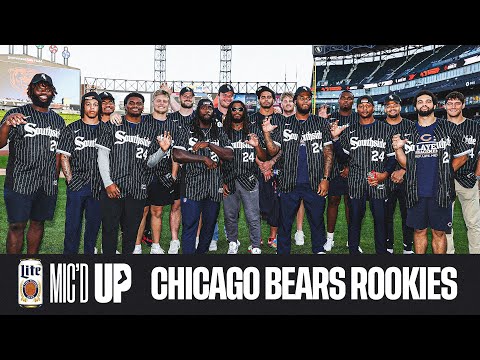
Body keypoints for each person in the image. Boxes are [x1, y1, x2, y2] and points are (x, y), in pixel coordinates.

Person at [392, 90, 469, 254]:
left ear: (434, 105)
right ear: (415, 106)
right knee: (418, 231)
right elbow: (406, 164)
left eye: (428, 101)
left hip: (441, 191)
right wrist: (398, 150)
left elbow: (463, 156)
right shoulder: (408, 131)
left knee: (439, 232)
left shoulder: (448, 127)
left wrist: (446, 173)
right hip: (415, 191)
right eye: (420, 102)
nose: (424, 104)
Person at [261, 86, 333, 254]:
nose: (305, 101)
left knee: (316, 221)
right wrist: (266, 134)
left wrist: (326, 178)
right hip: (288, 182)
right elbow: (273, 151)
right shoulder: (282, 123)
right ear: (295, 101)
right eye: (302, 98)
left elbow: (328, 152)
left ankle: (319, 251)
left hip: (315, 182)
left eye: (308, 98)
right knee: (285, 223)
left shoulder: (321, 122)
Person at [96, 92, 170, 254]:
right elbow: (102, 155)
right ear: (126, 106)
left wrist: (162, 151)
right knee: (110, 229)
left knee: (131, 232)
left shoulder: (150, 130)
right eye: (131, 103)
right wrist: (108, 182)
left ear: (143, 107)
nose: (135, 105)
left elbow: (150, 162)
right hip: (113, 187)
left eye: (139, 103)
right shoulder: (113, 125)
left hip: (137, 189)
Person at [0, 73, 66, 254]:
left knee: (38, 223)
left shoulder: (58, 121)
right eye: (39, 86)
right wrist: (6, 124)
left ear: (53, 92)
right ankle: (11, 268)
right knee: (16, 225)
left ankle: (31, 265)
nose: (43, 90)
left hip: (46, 183)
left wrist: (54, 180)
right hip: (20, 180)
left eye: (47, 87)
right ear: (31, 91)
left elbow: (59, 154)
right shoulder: (15, 114)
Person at [330, 95, 397, 254]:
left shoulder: (385, 128)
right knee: (354, 221)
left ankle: (381, 253)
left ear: (373, 108)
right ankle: (353, 252)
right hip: (356, 181)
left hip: (378, 181)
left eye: (368, 106)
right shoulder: (351, 129)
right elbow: (342, 158)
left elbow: (392, 158)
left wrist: (385, 175)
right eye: (361, 106)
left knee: (380, 221)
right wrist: (336, 139)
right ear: (357, 108)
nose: (364, 109)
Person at [172, 98, 234, 254]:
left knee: (209, 225)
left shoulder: (218, 131)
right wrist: (203, 158)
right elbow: (177, 154)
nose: (207, 110)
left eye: (210, 108)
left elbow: (229, 154)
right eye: (203, 108)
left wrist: (209, 145)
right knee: (190, 224)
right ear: (197, 110)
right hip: (192, 185)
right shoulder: (187, 129)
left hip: (214, 186)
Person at [129, 89, 181, 254]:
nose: (161, 103)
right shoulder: (143, 121)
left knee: (157, 211)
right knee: (141, 211)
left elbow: (176, 153)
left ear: (168, 104)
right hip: (142, 173)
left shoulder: (173, 125)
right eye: (158, 101)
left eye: (164, 101)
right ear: (153, 102)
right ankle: (136, 246)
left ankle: (155, 246)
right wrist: (115, 115)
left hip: (162, 174)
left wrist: (173, 175)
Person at [57, 92, 103, 254]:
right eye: (88, 104)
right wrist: (70, 180)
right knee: (72, 226)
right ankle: (69, 258)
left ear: (100, 106)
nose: (92, 108)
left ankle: (89, 256)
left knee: (93, 226)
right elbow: (64, 156)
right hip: (78, 183)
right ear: (83, 106)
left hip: (99, 185)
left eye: (95, 104)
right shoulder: (72, 128)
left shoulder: (106, 129)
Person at [221, 100, 267, 254]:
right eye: (233, 109)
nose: (237, 111)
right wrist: (223, 181)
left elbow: (264, 156)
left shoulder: (253, 130)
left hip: (249, 179)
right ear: (230, 112)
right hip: (229, 180)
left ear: (244, 112)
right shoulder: (224, 132)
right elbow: (220, 158)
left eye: (240, 109)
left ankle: (255, 246)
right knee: (230, 215)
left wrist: (256, 146)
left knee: (253, 216)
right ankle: (233, 242)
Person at [444, 91, 480, 254]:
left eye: (457, 103)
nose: (453, 107)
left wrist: (478, 176)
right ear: (444, 106)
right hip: (444, 181)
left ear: (463, 105)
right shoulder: (439, 126)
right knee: (445, 225)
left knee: (474, 224)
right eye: (450, 103)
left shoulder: (475, 126)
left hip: (469, 179)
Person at [324, 90, 360, 252]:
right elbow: (327, 144)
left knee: (350, 203)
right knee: (332, 201)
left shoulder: (358, 119)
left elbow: (360, 146)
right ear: (339, 101)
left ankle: (351, 240)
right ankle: (329, 239)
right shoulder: (330, 119)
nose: (346, 101)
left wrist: (349, 166)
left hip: (354, 166)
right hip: (333, 167)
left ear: (353, 101)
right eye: (343, 98)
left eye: (349, 98)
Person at [250, 86, 284, 249]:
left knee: (275, 203)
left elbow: (284, 146)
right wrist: (262, 164)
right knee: (255, 204)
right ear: (259, 100)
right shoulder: (250, 119)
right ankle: (258, 238)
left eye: (268, 97)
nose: (265, 99)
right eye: (262, 97)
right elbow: (248, 144)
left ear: (273, 99)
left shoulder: (280, 119)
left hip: (276, 166)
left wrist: (271, 163)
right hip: (256, 165)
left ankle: (273, 237)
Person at [382, 94, 414, 254]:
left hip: (407, 178)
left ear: (400, 106)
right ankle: (388, 247)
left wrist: (403, 170)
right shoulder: (379, 127)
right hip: (386, 179)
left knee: (408, 214)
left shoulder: (411, 126)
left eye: (395, 104)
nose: (392, 107)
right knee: (386, 215)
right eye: (388, 105)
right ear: (385, 108)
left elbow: (417, 153)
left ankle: (408, 247)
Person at [206, 83, 236, 251]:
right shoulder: (211, 113)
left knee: (232, 204)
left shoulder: (237, 112)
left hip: (233, 163)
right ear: (219, 96)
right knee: (214, 202)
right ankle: (213, 237)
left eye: (230, 95)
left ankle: (230, 233)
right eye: (224, 95)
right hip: (215, 163)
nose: (227, 98)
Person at [281, 91, 305, 245]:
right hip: (280, 165)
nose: (288, 103)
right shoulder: (276, 120)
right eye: (285, 100)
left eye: (291, 100)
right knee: (282, 202)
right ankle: (282, 234)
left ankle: (299, 231)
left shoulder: (301, 121)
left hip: (299, 165)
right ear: (281, 103)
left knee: (300, 199)